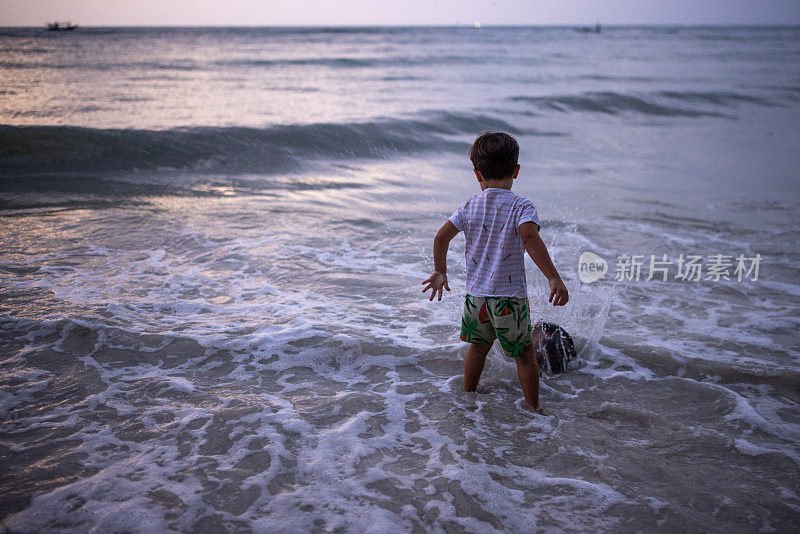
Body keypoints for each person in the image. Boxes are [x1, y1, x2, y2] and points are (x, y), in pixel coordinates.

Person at [422, 131, 569, 412]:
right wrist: (553, 276)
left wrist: (440, 271)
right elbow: (530, 238)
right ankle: (533, 409)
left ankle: (468, 395)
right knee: (525, 354)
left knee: (478, 347)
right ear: (516, 170)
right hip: (508, 299)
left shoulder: (468, 205)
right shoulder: (521, 206)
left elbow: (441, 238)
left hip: (476, 297)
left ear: (477, 174)